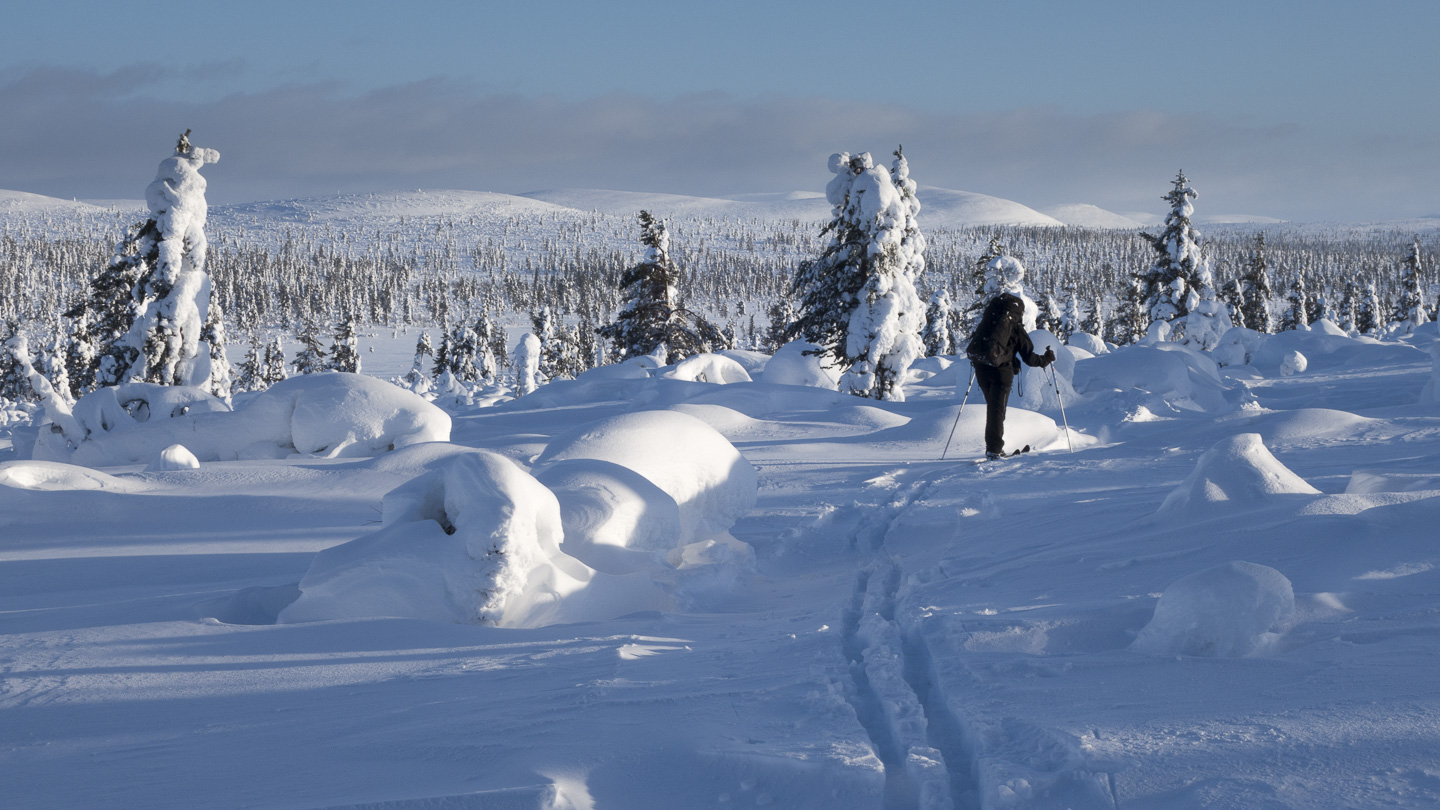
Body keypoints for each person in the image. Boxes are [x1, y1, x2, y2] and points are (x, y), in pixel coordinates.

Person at [964, 259, 1055, 460]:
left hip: (981, 367)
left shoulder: (989, 323)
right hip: (1001, 373)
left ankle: (994, 447)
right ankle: (994, 450)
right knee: (997, 411)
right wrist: (1046, 360)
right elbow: (1030, 358)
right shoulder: (1015, 328)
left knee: (993, 409)